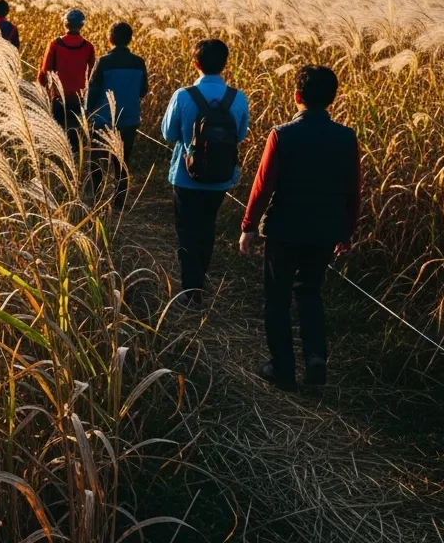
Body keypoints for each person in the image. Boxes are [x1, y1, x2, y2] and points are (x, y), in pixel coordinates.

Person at [239, 65, 361, 390]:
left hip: (284, 229)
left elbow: (263, 185)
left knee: (276, 299)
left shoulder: (282, 134)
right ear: (332, 99)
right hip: (324, 231)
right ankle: (316, 360)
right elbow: (353, 189)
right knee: (310, 292)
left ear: (297, 97)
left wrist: (249, 225)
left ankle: (282, 368)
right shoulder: (346, 137)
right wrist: (346, 231)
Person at [160, 39, 250, 312]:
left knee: (187, 231)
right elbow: (241, 135)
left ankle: (191, 292)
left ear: (195, 63)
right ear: (225, 64)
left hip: (186, 176)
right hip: (221, 176)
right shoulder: (238, 98)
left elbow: (169, 134)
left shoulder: (183, 95)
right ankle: (198, 285)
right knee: (207, 227)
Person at [87, 22, 149, 209]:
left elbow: (93, 90)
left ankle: (97, 198)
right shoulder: (138, 62)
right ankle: (119, 202)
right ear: (130, 39)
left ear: (110, 39)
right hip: (129, 118)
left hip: (103, 118)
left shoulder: (103, 61)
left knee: (97, 158)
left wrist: (89, 112)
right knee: (122, 161)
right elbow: (143, 90)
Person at [37, 9, 96, 153]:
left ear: (65, 24)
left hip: (58, 97)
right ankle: (74, 160)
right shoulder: (88, 46)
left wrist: (42, 89)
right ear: (82, 25)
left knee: (58, 133)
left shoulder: (55, 44)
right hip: (78, 98)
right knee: (74, 134)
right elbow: (93, 74)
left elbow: (45, 72)